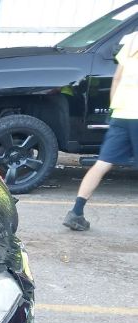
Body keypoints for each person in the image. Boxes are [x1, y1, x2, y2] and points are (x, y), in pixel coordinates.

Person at [63, 30, 138, 231]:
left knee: (102, 163)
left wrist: (114, 107)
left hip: (121, 113)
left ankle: (76, 212)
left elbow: (117, 79)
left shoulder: (132, 39)